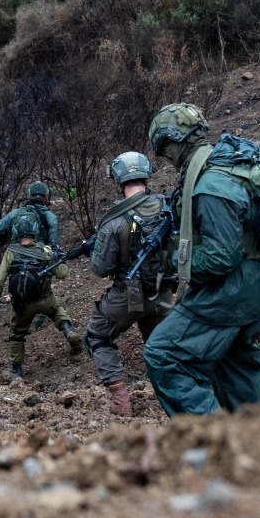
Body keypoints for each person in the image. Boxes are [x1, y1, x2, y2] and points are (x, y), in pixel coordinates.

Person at [141, 104, 260, 416]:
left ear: (175, 141)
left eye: (165, 151)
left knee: (164, 354)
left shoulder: (209, 184)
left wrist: (173, 261)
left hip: (230, 292)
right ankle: (254, 451)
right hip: (256, 285)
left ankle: (213, 443)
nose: (167, 159)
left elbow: (221, 257)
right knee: (235, 370)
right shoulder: (224, 164)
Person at [84, 151, 177, 417]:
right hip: (164, 292)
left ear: (118, 179)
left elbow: (100, 269)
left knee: (97, 336)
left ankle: (121, 403)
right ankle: (174, 402)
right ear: (147, 176)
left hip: (129, 296)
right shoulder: (168, 206)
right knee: (160, 345)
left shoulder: (114, 221)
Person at [0, 205, 79, 381]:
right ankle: (68, 331)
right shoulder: (45, 250)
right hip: (44, 299)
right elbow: (63, 274)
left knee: (16, 334)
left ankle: (16, 370)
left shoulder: (11, 252)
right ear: (35, 229)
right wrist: (56, 257)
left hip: (22, 306)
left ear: (15, 230)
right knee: (58, 311)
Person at [0, 181, 60, 251]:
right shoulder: (51, 217)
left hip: (15, 256)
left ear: (30, 196)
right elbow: (54, 245)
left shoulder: (16, 213)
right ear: (46, 198)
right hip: (39, 258)